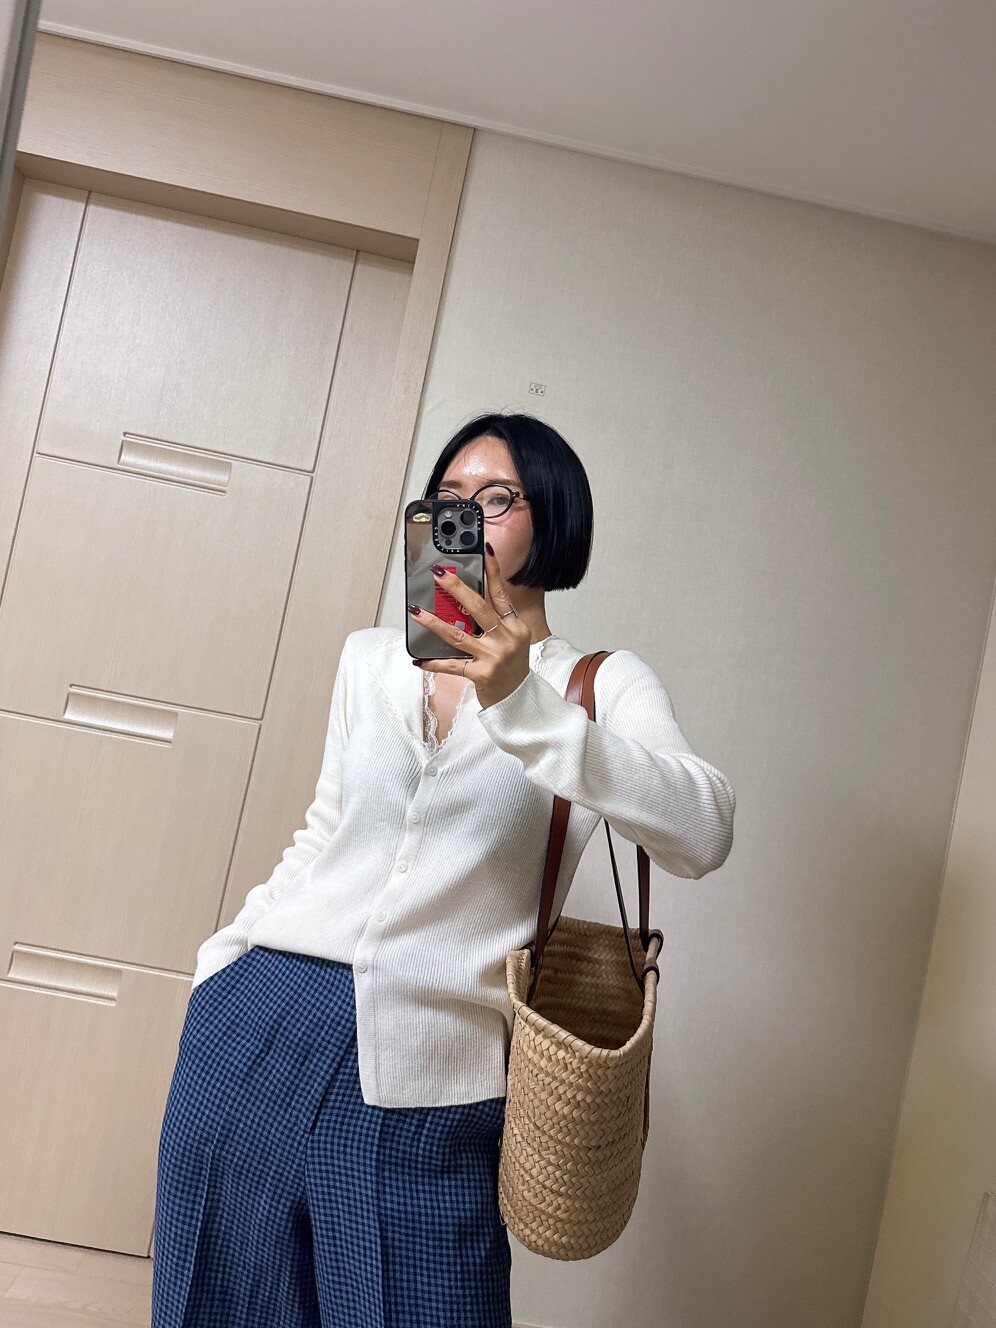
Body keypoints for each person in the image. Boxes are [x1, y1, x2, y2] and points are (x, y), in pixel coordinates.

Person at [152, 412, 737, 1328]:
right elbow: (324, 833)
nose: (466, 515)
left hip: (435, 1069)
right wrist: (220, 966)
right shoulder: (369, 660)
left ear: (554, 514)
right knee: (217, 1305)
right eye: (449, 498)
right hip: (259, 1018)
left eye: (497, 497)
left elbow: (703, 830)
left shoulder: (597, 684)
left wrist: (522, 703)